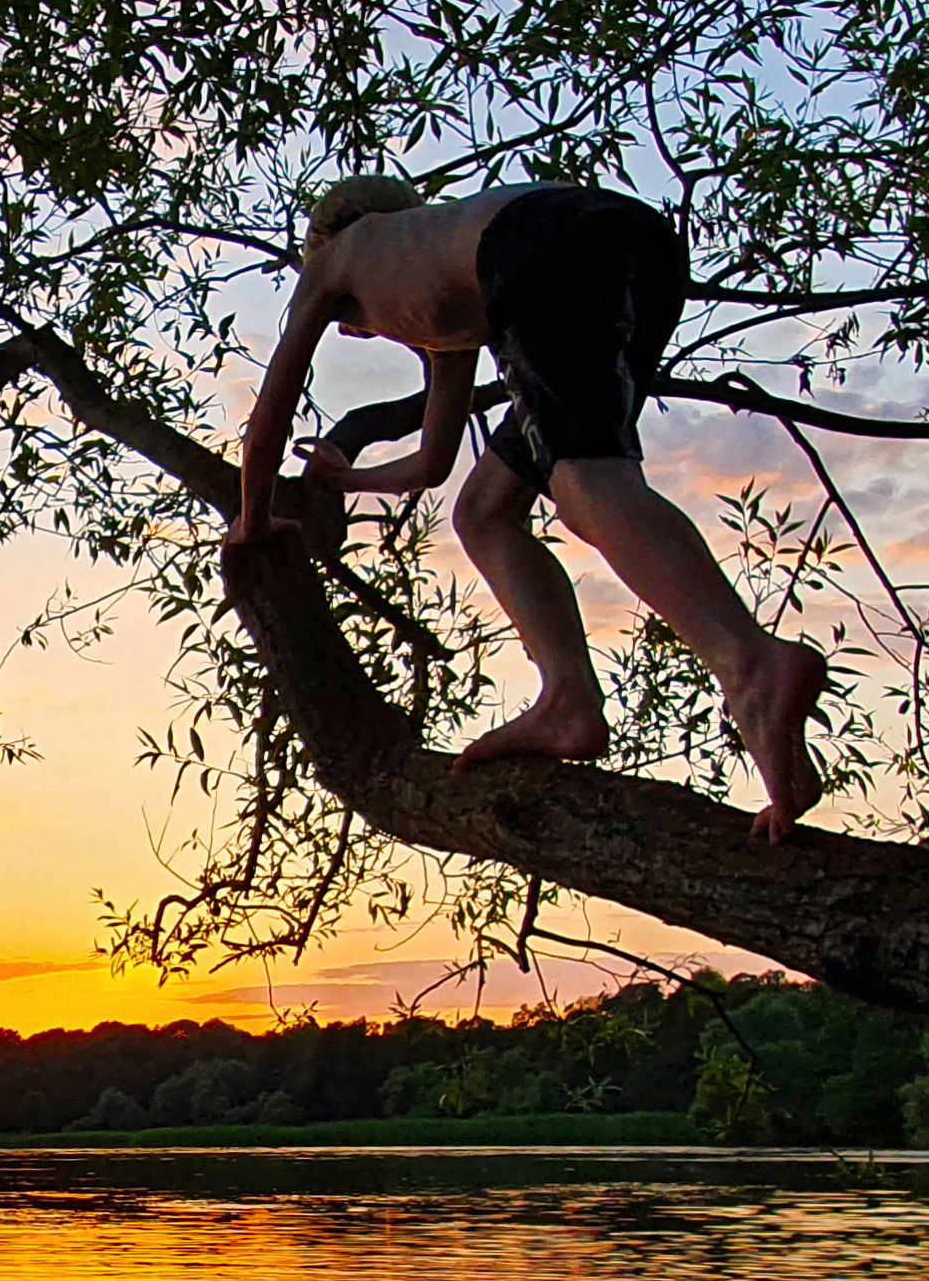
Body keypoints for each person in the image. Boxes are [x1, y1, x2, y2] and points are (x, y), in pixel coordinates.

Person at [227, 175, 828, 840]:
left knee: (586, 484)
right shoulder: (443, 292)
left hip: (545, 244)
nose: (358, 331)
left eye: (351, 325)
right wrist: (348, 480)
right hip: (638, 247)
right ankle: (569, 699)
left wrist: (252, 524)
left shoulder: (339, 256)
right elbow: (433, 463)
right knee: (484, 511)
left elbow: (270, 414)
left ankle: (749, 666)